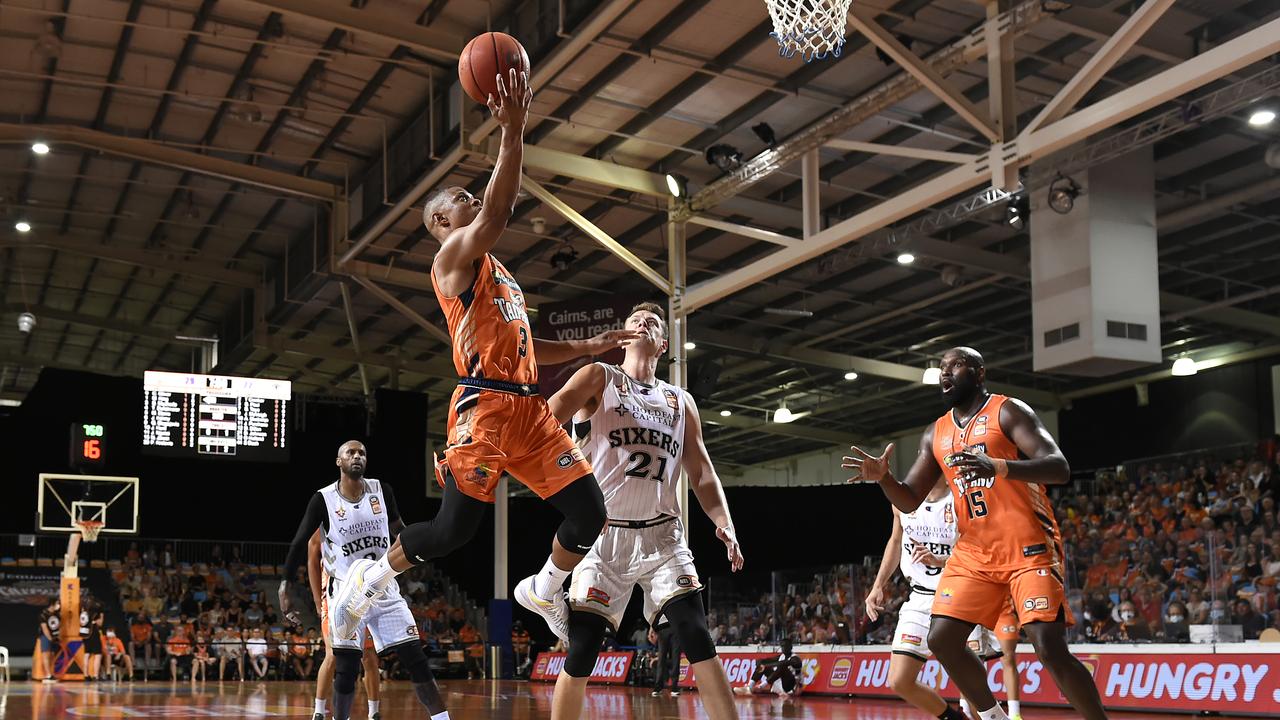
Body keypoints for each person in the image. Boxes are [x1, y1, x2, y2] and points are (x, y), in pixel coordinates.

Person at [327, 66, 640, 646]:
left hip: (530, 409)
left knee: (589, 514)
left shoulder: (498, 275)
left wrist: (586, 347)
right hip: (485, 409)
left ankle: (545, 587)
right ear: (443, 223)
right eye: (464, 199)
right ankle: (373, 577)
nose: (476, 200)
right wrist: (512, 131)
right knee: (451, 532)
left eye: (475, 195)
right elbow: (497, 212)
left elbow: (525, 341)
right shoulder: (450, 261)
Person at [845, 347, 1108, 720]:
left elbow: (1059, 468)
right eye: (940, 368)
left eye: (955, 365)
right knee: (941, 639)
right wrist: (885, 478)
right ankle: (993, 717)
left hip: (1026, 542)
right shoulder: (935, 433)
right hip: (975, 550)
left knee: (1048, 646)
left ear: (979, 373)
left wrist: (999, 465)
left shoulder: (1008, 411)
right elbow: (907, 500)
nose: (945, 373)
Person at [545, 302, 743, 719]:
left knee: (696, 634)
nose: (642, 324)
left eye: (651, 322)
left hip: (663, 535)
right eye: (634, 320)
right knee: (582, 649)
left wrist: (723, 523)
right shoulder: (600, 377)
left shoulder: (681, 401)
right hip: (604, 536)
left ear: (663, 344)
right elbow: (548, 414)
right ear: (621, 337)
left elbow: (702, 471)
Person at [279, 441, 448, 720]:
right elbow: (300, 544)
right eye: (350, 452)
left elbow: (400, 531)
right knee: (345, 666)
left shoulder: (382, 491)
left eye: (362, 453)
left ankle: (441, 718)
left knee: (415, 658)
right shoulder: (323, 499)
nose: (357, 456)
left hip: (383, 585)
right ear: (339, 461)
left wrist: (421, 547)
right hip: (346, 590)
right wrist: (286, 585)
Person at [864, 476, 989, 720]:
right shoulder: (902, 502)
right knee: (899, 681)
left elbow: (979, 550)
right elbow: (895, 540)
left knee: (972, 692)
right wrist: (878, 585)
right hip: (920, 596)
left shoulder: (962, 499)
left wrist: (941, 560)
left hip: (959, 595)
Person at [305, 529, 382, 720]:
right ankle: (319, 710)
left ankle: (374, 713)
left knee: (369, 658)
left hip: (362, 599)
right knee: (332, 655)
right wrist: (316, 600)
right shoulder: (328, 523)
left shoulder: (365, 524)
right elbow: (311, 547)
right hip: (332, 600)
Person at [732, 637, 802, 697]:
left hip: (791, 686)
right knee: (762, 664)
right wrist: (760, 662)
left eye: (785, 646)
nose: (783, 648)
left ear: (791, 647)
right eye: (782, 646)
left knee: (781, 666)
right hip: (780, 684)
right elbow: (765, 661)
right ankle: (749, 688)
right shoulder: (781, 656)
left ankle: (760, 687)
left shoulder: (796, 658)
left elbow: (783, 663)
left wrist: (766, 665)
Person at [36, 599, 60, 682]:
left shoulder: (56, 614)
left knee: (52, 656)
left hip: (55, 637)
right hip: (46, 637)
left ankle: (52, 673)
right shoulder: (43, 614)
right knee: (46, 655)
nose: (59, 605)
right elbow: (44, 628)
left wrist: (56, 637)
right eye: (57, 603)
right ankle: (48, 674)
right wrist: (50, 638)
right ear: (52, 604)